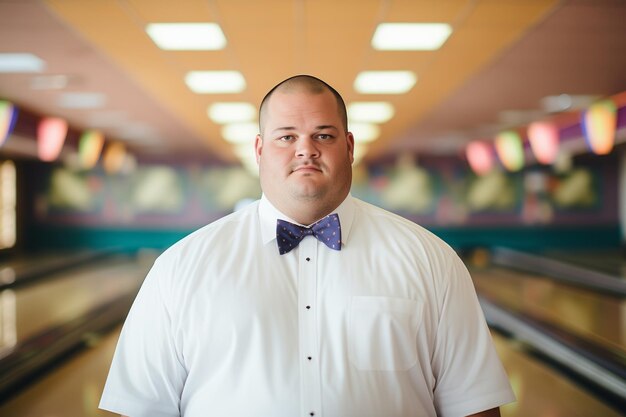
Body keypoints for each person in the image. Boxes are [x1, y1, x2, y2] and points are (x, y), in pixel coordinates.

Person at [100, 75, 515, 417]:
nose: (305, 150)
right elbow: (138, 408)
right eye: (285, 137)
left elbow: (474, 406)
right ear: (259, 151)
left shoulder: (431, 261)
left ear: (349, 147)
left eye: (324, 134)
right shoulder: (181, 267)